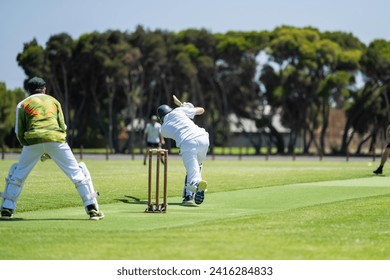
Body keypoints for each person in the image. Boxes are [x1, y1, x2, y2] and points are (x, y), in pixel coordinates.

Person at [0, 77, 104, 220]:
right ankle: (92, 208)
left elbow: (19, 131)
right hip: (56, 139)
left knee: (18, 175)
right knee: (77, 173)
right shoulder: (54, 101)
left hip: (32, 139)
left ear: (29, 90)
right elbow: (63, 126)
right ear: (44, 89)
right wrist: (53, 148)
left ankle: (7, 208)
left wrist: (29, 146)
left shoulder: (23, 104)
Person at [156, 101, 209, 205]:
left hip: (188, 143)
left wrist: (184, 109)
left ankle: (197, 185)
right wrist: (186, 107)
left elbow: (176, 127)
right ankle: (188, 196)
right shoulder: (179, 111)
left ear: (161, 118)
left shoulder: (163, 129)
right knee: (196, 168)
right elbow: (201, 110)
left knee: (193, 175)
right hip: (204, 138)